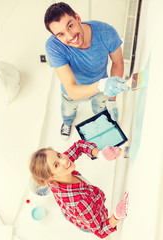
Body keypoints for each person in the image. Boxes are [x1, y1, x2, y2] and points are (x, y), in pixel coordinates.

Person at [44, 2, 129, 140]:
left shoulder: (106, 32)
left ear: (77, 18)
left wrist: (112, 99)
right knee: (68, 112)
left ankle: (102, 116)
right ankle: (67, 123)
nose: (70, 36)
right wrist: (101, 85)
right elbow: (71, 90)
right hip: (74, 93)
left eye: (70, 25)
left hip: (102, 86)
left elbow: (118, 62)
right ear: (56, 36)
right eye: (60, 34)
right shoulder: (53, 47)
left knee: (101, 110)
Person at [29, 140, 129, 238]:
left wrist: (100, 154)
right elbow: (101, 231)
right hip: (82, 219)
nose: (64, 160)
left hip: (70, 212)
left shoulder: (56, 174)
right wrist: (116, 216)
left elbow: (79, 146)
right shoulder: (80, 202)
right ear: (51, 177)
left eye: (58, 155)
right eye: (56, 165)